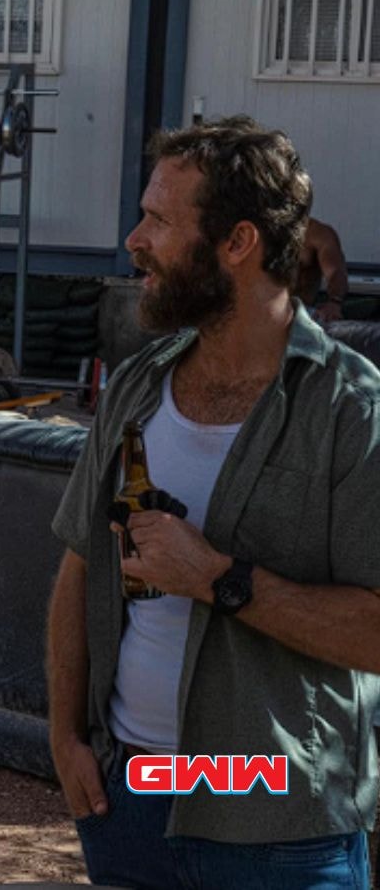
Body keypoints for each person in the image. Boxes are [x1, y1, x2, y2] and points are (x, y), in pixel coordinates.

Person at [48, 116, 380, 887]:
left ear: (238, 244)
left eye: (159, 221)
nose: (134, 240)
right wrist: (66, 740)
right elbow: (79, 566)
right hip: (130, 797)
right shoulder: (137, 383)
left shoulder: (351, 411)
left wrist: (218, 579)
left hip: (279, 823)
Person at [295, 216, 349, 324]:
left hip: (301, 316)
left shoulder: (317, 233)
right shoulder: (257, 234)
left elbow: (336, 272)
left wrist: (334, 302)